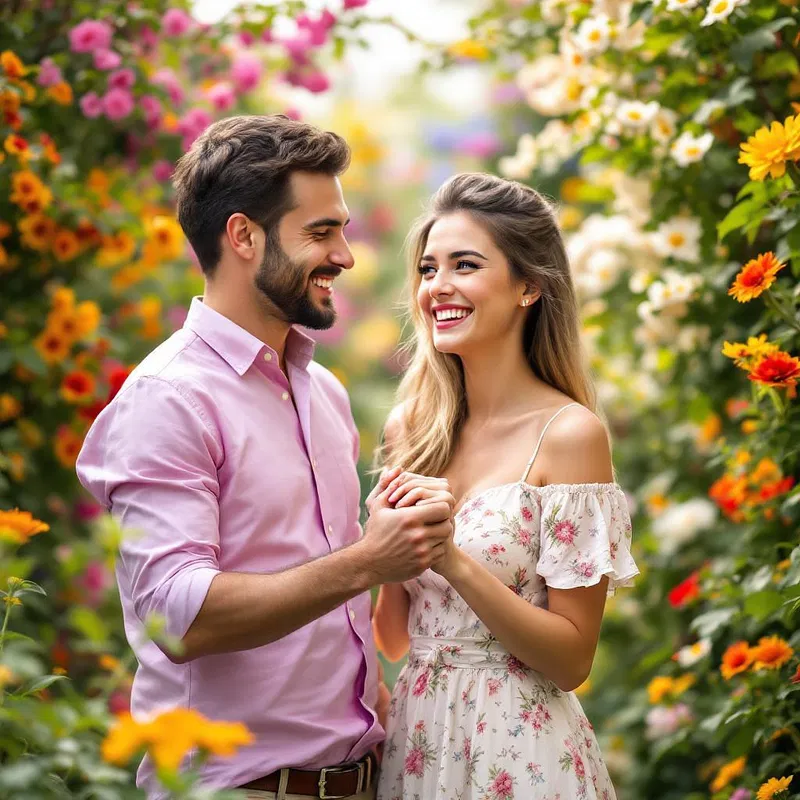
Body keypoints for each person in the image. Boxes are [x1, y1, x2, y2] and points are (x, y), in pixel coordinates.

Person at [75, 115, 456, 800]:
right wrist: (370, 560)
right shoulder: (169, 400)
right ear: (243, 236)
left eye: (341, 227)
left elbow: (332, 607)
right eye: (320, 231)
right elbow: (181, 618)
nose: (345, 254)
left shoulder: (324, 393)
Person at [371, 173, 640, 800]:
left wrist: (453, 561)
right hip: (419, 744)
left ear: (530, 286)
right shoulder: (410, 429)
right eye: (428, 268)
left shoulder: (569, 435)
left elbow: (573, 661)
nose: (438, 287)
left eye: (465, 265)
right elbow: (393, 637)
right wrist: (384, 543)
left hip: (519, 750)